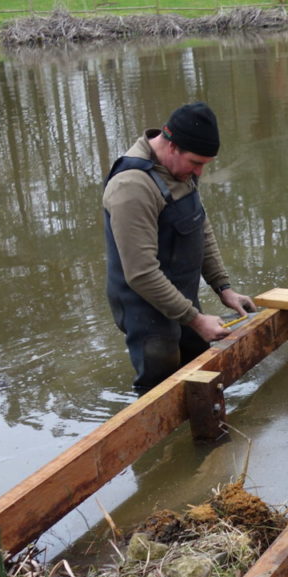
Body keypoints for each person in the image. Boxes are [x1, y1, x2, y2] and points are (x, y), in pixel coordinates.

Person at [103, 101, 256, 394]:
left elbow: (200, 228)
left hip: (181, 298)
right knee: (159, 387)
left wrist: (223, 288)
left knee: (199, 368)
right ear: (172, 146)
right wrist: (196, 319)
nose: (199, 173)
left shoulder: (181, 172)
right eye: (196, 163)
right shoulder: (132, 187)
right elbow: (141, 272)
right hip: (143, 307)